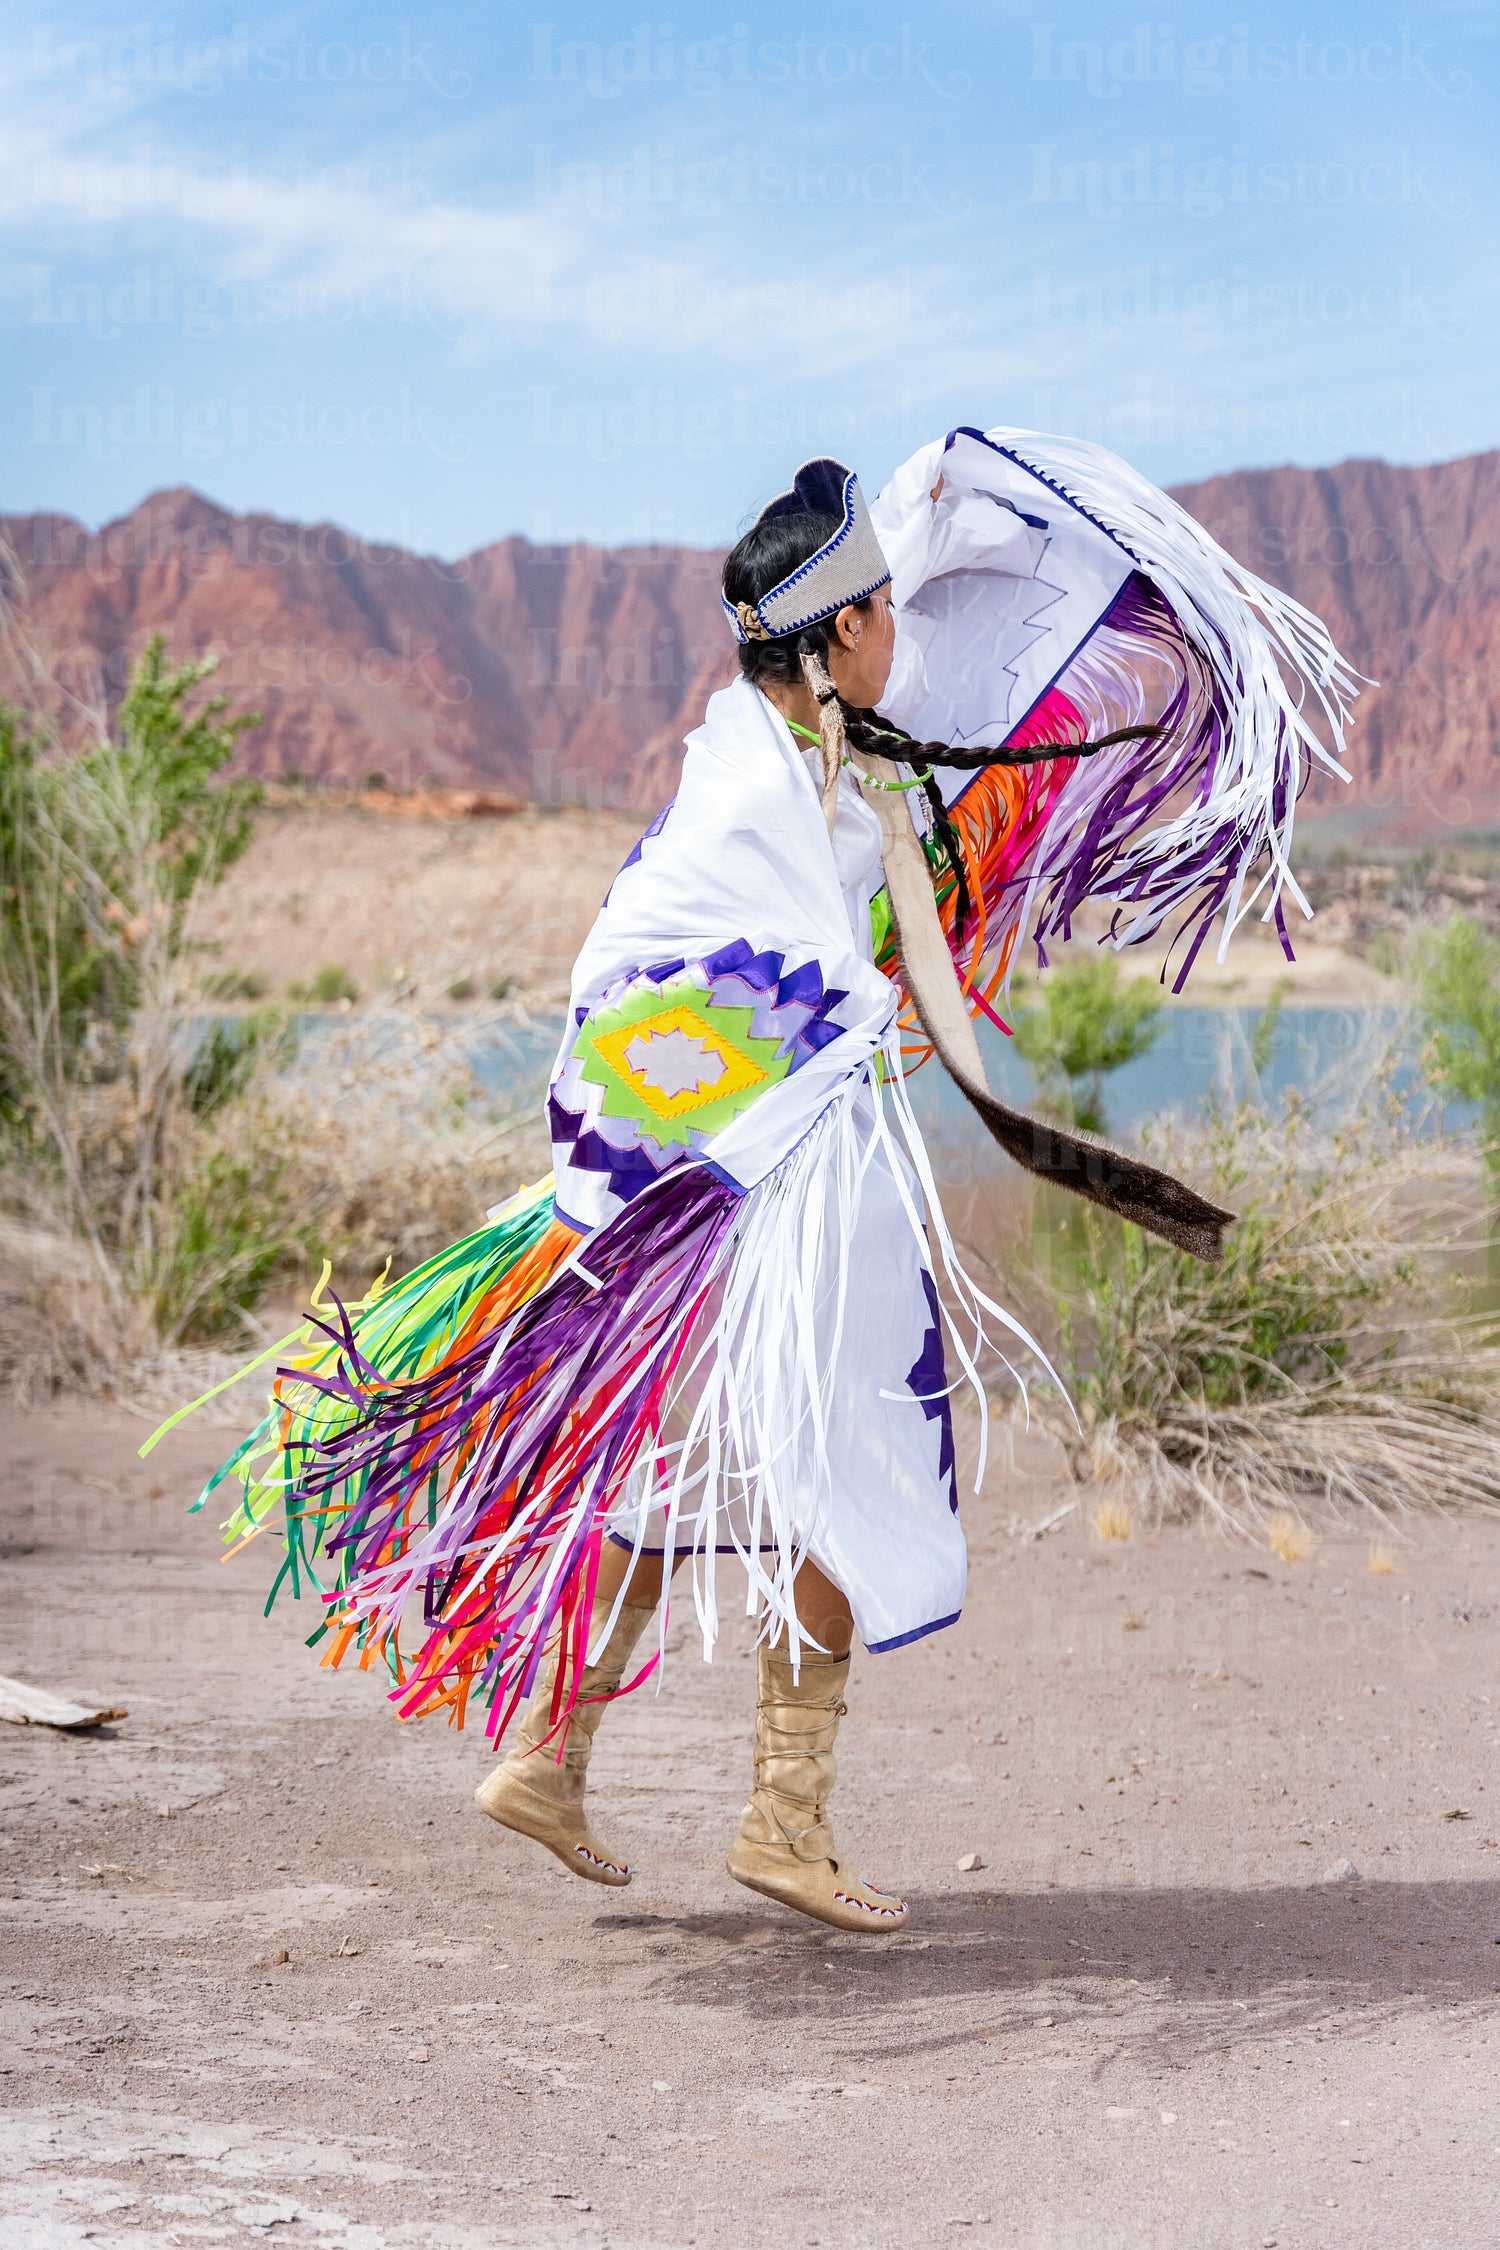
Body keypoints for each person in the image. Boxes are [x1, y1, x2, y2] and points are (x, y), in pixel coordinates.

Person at [172, 435, 1354, 1935]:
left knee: (696, 1459)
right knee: (859, 1446)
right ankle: (780, 1820)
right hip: (762, 1182)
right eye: (883, 614)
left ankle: (553, 1754)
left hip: (723, 1190)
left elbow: (790, 958)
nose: (902, 633)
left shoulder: (785, 762)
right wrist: (864, 1021)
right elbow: (708, 983)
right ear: (844, 633)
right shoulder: (758, 800)